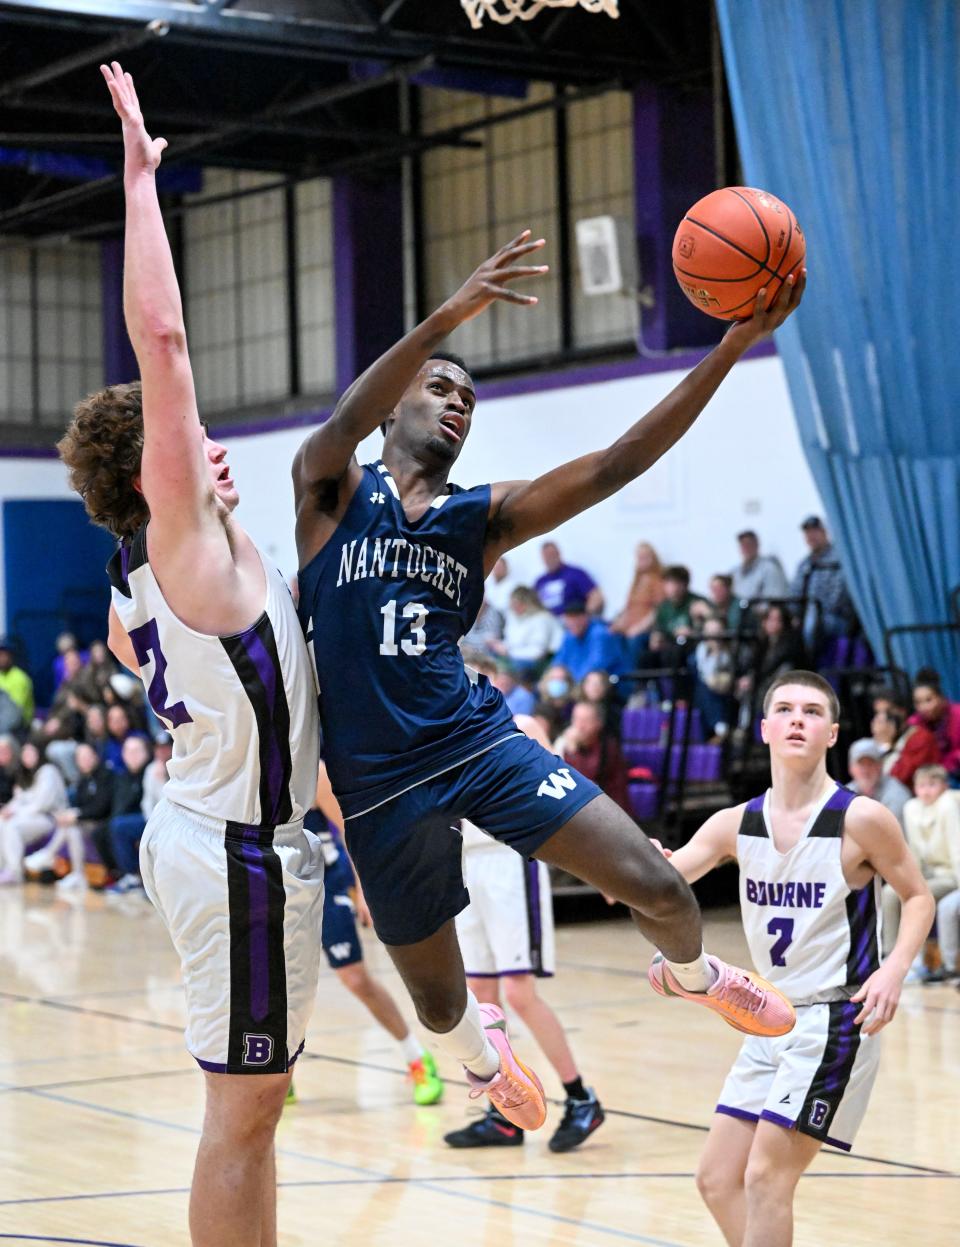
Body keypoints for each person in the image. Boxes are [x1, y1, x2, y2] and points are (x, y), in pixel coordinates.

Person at [293, 228, 806, 1138]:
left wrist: (731, 347)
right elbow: (342, 414)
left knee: (660, 884)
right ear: (389, 408)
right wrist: (451, 315)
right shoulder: (328, 490)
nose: (457, 404)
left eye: (469, 398)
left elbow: (614, 466)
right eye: (439, 388)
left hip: (475, 742)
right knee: (441, 999)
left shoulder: (479, 517)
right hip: (376, 782)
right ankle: (486, 1068)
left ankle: (696, 976)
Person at [56, 64, 322, 1247]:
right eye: (186, 439)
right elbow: (160, 337)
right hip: (232, 855)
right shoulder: (183, 552)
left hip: (239, 838)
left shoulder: (142, 579)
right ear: (151, 480)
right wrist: (140, 179)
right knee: (243, 1109)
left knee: (260, 1107)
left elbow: (132, 636)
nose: (208, 442)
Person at [652, 671, 934, 1247]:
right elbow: (658, 883)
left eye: (811, 711)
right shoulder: (735, 824)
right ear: (764, 729)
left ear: (832, 733)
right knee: (716, 1179)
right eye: (784, 709)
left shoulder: (860, 819)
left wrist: (896, 967)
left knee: (764, 1178)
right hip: (767, 1016)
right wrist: (637, 866)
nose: (797, 719)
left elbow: (919, 896)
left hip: (834, 1021)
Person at [446, 706, 603, 1152]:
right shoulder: (442, 726)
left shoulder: (523, 724)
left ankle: (580, 1099)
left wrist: (594, 863)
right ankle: (505, 1113)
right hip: (465, 862)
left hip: (510, 861)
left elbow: (563, 796)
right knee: (483, 998)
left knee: (519, 993)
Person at [304, 762, 444, 1107]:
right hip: (278, 886)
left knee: (354, 978)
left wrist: (365, 887)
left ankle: (416, 1057)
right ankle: (278, 1073)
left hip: (325, 879)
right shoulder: (247, 766)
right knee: (282, 988)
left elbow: (349, 831)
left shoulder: (314, 771)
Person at [881, 764, 959, 966]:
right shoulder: (912, 808)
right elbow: (912, 852)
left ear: (944, 786)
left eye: (932, 784)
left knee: (916, 896)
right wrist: (906, 879)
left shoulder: (949, 803)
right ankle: (889, 955)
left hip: (950, 874)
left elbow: (956, 845)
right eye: (921, 785)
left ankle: (915, 960)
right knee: (889, 893)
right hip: (927, 874)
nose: (926, 790)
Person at [25, 741, 114, 892]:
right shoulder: (83, 779)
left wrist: (76, 815)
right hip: (86, 821)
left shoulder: (107, 776)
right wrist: (69, 814)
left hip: (103, 821)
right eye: (80, 757)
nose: (83, 760)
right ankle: (77, 875)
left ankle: (49, 854)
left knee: (71, 825)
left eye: (87, 756)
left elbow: (101, 808)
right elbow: (80, 805)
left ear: (95, 756)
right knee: (70, 828)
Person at [0, 740, 68, 884]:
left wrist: (15, 813)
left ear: (39, 753)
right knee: (2, 821)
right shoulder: (26, 775)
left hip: (50, 818)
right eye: (25, 753)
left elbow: (42, 804)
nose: (27, 756)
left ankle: (14, 871)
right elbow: (19, 799)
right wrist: (8, 809)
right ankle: (3, 868)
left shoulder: (49, 771)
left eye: (30, 752)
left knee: (13, 826)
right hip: (29, 817)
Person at [790, 516, 857, 652]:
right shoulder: (804, 564)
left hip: (835, 618)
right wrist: (793, 615)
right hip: (807, 615)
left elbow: (837, 598)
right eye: (808, 533)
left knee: (810, 623)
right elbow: (793, 594)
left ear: (824, 532)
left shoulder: (838, 560)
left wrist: (811, 611)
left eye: (815, 532)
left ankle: (809, 665)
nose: (811, 536)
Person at [557, 700, 632, 815]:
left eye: (586, 721)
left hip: (606, 810)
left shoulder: (608, 747)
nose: (579, 726)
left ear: (599, 723)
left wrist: (573, 752)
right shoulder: (562, 743)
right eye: (576, 719)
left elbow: (585, 782)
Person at [870, 688, 939, 788]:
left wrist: (887, 744)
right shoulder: (879, 740)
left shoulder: (920, 738)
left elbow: (898, 781)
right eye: (878, 713)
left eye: (887, 712)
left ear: (901, 711)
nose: (882, 718)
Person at [494, 585, 563, 679]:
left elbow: (538, 653)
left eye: (518, 604)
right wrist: (499, 646)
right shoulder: (513, 617)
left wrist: (509, 652)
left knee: (506, 668)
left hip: (540, 662)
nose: (515, 607)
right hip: (515, 657)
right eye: (513, 603)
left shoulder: (542, 618)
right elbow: (510, 642)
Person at [553, 599, 628, 683]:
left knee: (593, 678)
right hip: (578, 684)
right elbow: (559, 661)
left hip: (610, 683)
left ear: (586, 618)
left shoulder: (600, 633)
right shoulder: (569, 635)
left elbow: (597, 665)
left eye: (576, 619)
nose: (573, 623)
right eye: (570, 620)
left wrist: (572, 683)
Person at [845, 738, 911, 828]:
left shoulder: (896, 794)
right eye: (861, 764)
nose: (865, 770)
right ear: (851, 768)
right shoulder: (844, 793)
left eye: (870, 764)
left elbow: (889, 836)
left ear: (880, 766)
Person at [909, 676, 960, 780]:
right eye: (918, 702)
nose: (924, 707)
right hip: (931, 775)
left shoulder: (957, 714)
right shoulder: (914, 725)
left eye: (928, 700)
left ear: (941, 698)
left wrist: (945, 766)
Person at [610, 541, 664, 637]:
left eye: (645, 557)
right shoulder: (636, 581)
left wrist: (639, 628)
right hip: (628, 627)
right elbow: (628, 607)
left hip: (643, 630)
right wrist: (619, 622)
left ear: (653, 558)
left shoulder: (657, 581)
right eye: (639, 557)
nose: (641, 560)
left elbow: (658, 610)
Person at [535, 541, 603, 616]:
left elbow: (595, 597)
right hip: (548, 622)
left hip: (572, 620)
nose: (550, 559)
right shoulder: (540, 582)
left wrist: (584, 617)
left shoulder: (575, 573)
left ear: (558, 554)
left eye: (552, 555)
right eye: (546, 556)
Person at [731, 530, 788, 605]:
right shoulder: (735, 572)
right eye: (743, 545)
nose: (746, 548)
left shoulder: (769, 569)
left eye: (749, 544)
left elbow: (775, 599)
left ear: (757, 545)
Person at [654, 565, 707, 638]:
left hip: (692, 644)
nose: (674, 588)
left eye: (677, 583)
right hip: (670, 646)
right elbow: (659, 630)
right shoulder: (663, 607)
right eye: (670, 583)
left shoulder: (696, 601)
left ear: (686, 584)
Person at [0, 639, 34, 726]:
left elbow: (14, 713)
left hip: (20, 728)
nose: (2, 658)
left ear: (11, 656)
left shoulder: (20, 678)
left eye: (4, 654)